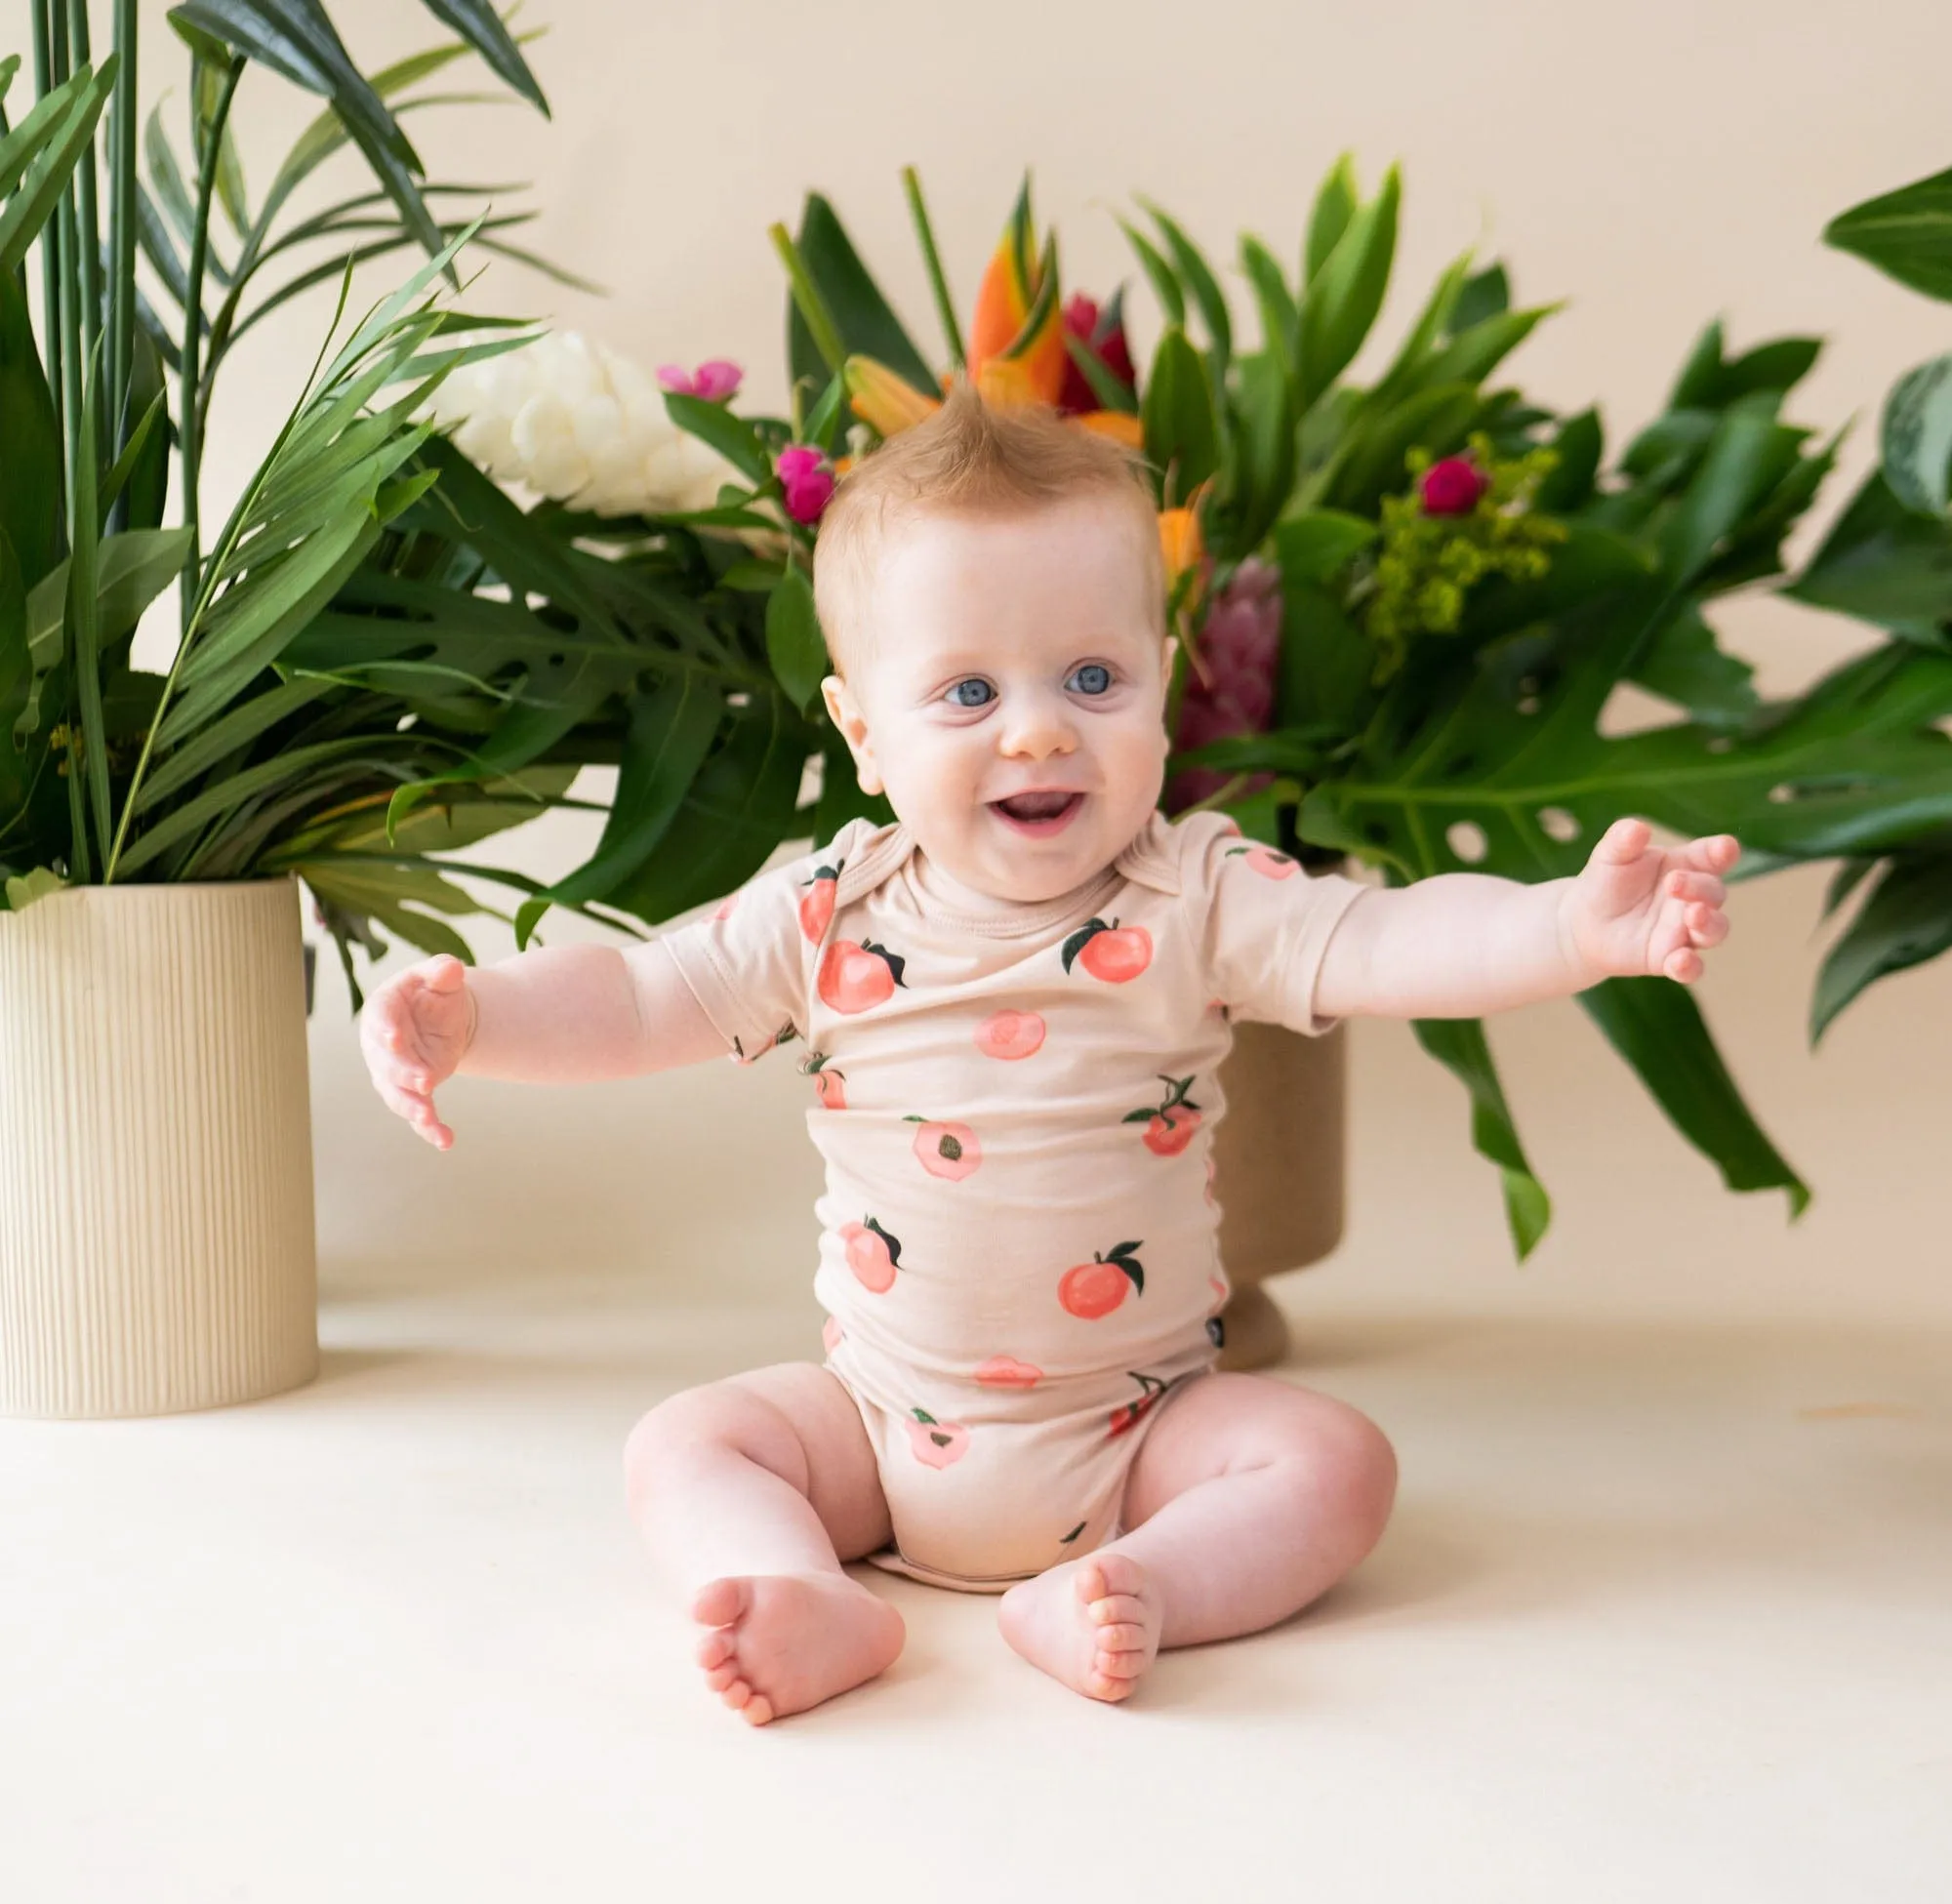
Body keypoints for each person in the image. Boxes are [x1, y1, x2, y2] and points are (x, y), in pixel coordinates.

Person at [359, 385, 1738, 1726]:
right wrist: (472, 1019)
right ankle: (794, 1587)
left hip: (1144, 1433)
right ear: (863, 732)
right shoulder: (827, 910)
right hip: (879, 1427)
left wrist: (1570, 925)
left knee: (1335, 1464)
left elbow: (1385, 942)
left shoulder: (1199, 894)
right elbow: (641, 993)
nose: (1038, 728)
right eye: (966, 690)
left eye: (1092, 677)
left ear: (1164, 689)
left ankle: (1136, 1581)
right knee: (686, 1445)